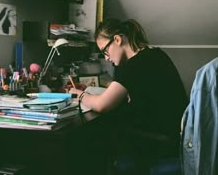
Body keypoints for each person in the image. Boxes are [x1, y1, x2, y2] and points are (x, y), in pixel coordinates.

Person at [69, 18, 188, 175]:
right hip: (175, 136)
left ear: (117, 39)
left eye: (105, 51)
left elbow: (101, 105)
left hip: (160, 143)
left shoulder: (134, 66)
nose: (106, 58)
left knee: (95, 142)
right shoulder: (154, 54)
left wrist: (81, 95)